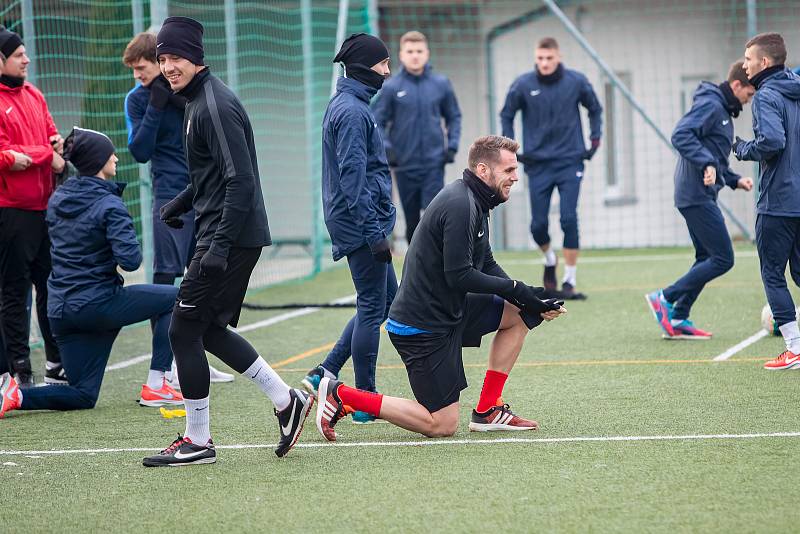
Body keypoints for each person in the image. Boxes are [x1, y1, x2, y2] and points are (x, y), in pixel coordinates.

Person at [314, 135, 565, 441]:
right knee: (442, 425)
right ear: (483, 170)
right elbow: (459, 276)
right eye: (509, 169)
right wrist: (517, 288)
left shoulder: (477, 201)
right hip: (420, 329)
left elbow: (485, 265)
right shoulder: (461, 204)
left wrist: (530, 296)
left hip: (449, 312)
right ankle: (342, 396)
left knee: (520, 312)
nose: (515, 176)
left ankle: (487, 410)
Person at [143, 17, 312, 466]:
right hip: (225, 231)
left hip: (228, 237)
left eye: (175, 58)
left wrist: (217, 247)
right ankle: (286, 401)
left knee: (183, 329)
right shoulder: (195, 101)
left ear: (196, 58)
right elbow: (212, 176)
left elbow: (240, 182)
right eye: (162, 59)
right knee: (209, 329)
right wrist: (179, 203)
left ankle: (199, 441)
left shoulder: (214, 105)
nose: (168, 67)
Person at [0, 127, 184, 417]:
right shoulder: (110, 204)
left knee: (83, 393)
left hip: (61, 313)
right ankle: (158, 382)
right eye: (110, 153)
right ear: (99, 160)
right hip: (98, 305)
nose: (116, 158)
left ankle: (16, 396)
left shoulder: (57, 199)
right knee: (177, 297)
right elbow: (131, 260)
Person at [122, 32, 233, 386]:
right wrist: (155, 104)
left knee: (199, 279)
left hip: (202, 195)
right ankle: (160, 371)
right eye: (135, 70)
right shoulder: (138, 100)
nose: (138, 75)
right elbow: (139, 150)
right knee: (166, 280)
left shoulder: (190, 95)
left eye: (142, 68)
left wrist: (172, 100)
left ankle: (191, 358)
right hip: (170, 198)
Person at [300, 33, 397, 425]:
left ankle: (323, 372)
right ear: (362, 67)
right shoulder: (353, 111)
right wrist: (374, 233)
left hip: (359, 219)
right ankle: (363, 400)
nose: (387, 72)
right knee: (374, 306)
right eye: (382, 65)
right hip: (359, 223)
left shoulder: (350, 104)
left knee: (386, 300)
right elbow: (352, 177)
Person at [646, 61, 755, 339]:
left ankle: (679, 316)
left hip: (698, 193)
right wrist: (707, 163)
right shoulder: (712, 106)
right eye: (749, 93)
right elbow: (681, 134)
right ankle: (665, 297)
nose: (749, 99)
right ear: (736, 86)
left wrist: (733, 180)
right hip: (695, 195)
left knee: (706, 257)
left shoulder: (722, 111)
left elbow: (714, 157)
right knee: (723, 258)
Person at [500, 37, 602, 300]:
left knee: (569, 217)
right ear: (536, 59)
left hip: (570, 161)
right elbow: (506, 114)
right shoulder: (523, 84)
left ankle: (569, 280)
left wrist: (594, 139)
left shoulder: (576, 81)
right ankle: (549, 259)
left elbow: (595, 109)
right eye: (540, 59)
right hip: (537, 164)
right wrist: (511, 147)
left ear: (558, 58)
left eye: (549, 58)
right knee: (538, 225)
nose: (544, 63)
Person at [0, 26, 65, 387]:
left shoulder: (34, 95)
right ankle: (18, 368)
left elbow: (53, 145)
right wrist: (42, 155)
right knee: (14, 290)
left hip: (45, 208)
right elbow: (4, 156)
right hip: (11, 211)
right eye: (18, 54)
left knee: (51, 285)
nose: (26, 59)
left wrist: (37, 153)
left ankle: (55, 362)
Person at [733, 33, 800, 370]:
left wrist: (743, 148)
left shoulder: (766, 96)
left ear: (763, 62)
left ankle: (794, 348)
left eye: (747, 59)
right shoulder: (796, 85)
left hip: (778, 203)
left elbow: (772, 141)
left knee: (773, 275)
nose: (744, 65)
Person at [372, 31, 461, 246]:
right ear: (401, 55)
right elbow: (376, 121)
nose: (415, 56)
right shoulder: (392, 87)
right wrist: (387, 148)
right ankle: (416, 268)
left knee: (434, 216)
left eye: (419, 51)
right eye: (410, 51)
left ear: (427, 54)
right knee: (412, 222)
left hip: (433, 163)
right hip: (404, 164)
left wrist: (452, 146)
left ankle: (437, 268)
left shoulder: (441, 84)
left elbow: (454, 116)